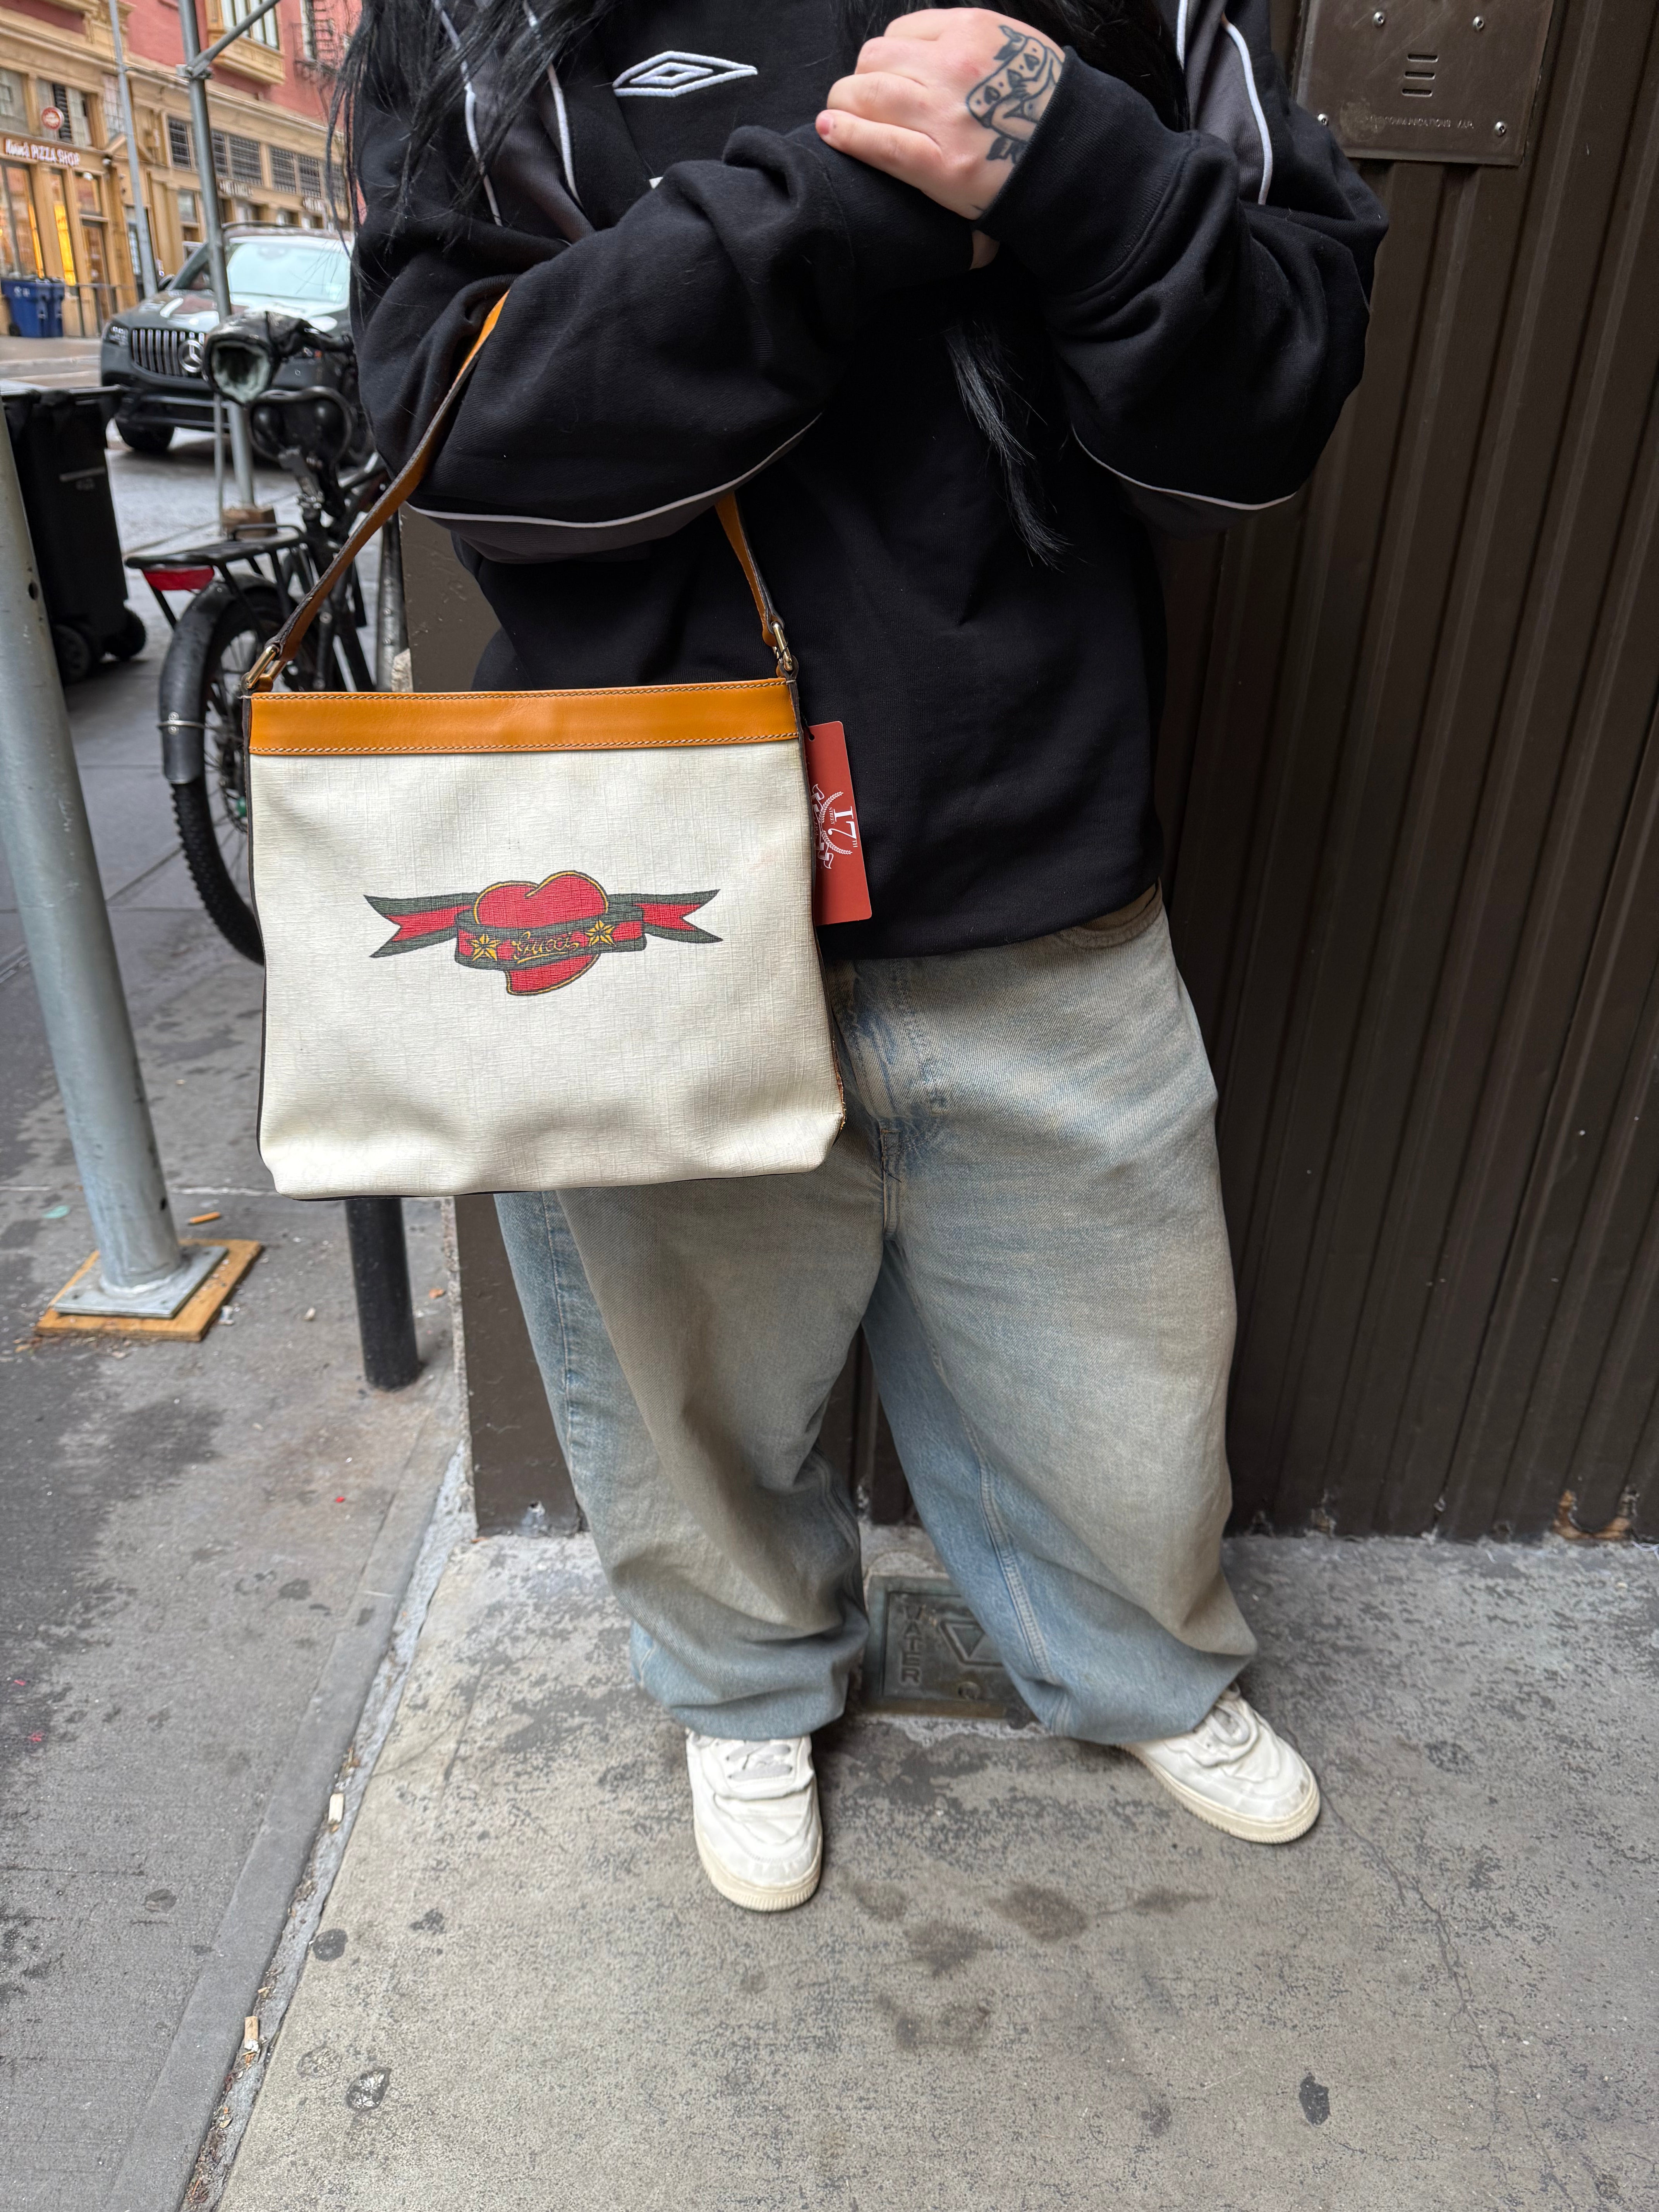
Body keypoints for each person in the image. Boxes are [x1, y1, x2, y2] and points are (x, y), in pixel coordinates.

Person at [345, 0, 1387, 1911]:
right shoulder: (486, 27)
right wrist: (865, 207)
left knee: (1124, 1387)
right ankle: (745, 1684)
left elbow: (1271, 404)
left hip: (1040, 852)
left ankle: (1137, 1665)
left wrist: (1065, 154)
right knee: (676, 1382)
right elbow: (456, 438)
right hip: (645, 882)